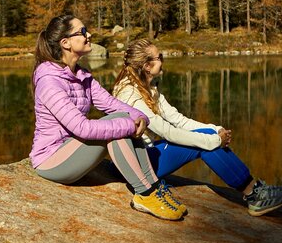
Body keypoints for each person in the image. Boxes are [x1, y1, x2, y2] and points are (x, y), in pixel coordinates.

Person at [30, 15, 186, 221]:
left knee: (121, 120)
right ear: (65, 43)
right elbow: (82, 129)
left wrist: (139, 116)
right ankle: (144, 194)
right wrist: (127, 125)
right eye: (82, 32)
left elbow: (111, 104)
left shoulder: (82, 75)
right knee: (117, 128)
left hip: (74, 149)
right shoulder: (49, 81)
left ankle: (153, 185)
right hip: (52, 159)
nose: (89, 35)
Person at [113, 39, 282, 216]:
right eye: (160, 57)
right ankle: (254, 194)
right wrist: (212, 140)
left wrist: (215, 129)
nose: (163, 60)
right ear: (146, 65)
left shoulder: (147, 87)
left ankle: (254, 190)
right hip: (137, 164)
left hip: (146, 154)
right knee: (204, 144)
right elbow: (166, 131)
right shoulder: (130, 94)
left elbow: (178, 120)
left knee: (206, 138)